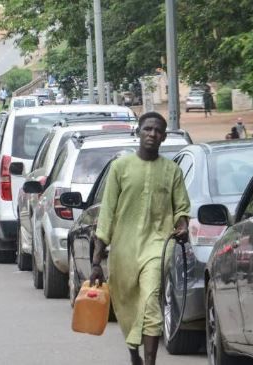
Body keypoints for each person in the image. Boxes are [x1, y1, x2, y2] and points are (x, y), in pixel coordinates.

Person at [89, 112, 190, 365]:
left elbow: (181, 209)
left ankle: (150, 362)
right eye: (147, 129)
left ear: (164, 137)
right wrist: (96, 261)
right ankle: (134, 353)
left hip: (157, 246)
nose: (152, 134)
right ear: (138, 132)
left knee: (151, 300)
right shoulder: (120, 168)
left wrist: (183, 226)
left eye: (157, 131)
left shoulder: (172, 171)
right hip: (123, 250)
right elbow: (107, 213)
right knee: (128, 306)